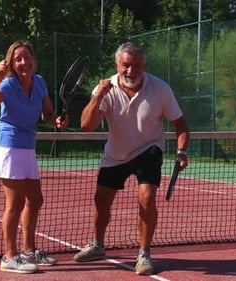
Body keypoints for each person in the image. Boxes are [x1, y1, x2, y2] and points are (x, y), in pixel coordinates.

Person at [74, 42, 189, 275]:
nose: (130, 71)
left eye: (136, 65)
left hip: (149, 150)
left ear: (143, 65)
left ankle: (144, 254)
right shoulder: (106, 88)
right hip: (116, 154)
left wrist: (182, 152)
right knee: (101, 199)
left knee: (146, 199)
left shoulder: (160, 89)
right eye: (125, 65)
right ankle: (97, 245)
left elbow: (180, 125)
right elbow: (86, 126)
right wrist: (99, 97)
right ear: (117, 65)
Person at [0, 40, 68, 274]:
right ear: (10, 63)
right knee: (15, 204)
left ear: (33, 60)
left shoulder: (39, 82)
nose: (24, 62)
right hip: (9, 146)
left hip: (27, 146)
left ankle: (29, 251)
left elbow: (48, 113)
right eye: (18, 58)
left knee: (35, 200)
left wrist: (56, 121)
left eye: (27, 57)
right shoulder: (7, 84)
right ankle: (9, 257)